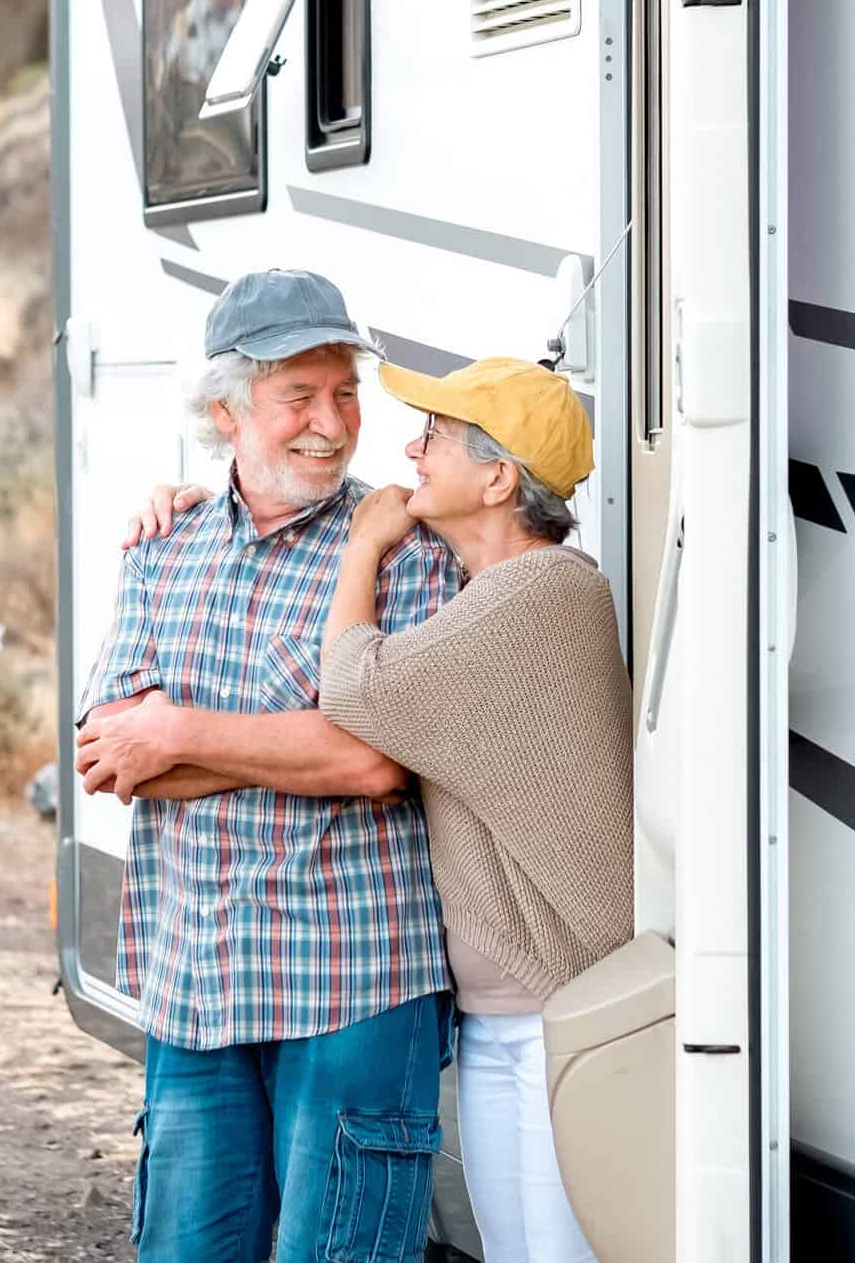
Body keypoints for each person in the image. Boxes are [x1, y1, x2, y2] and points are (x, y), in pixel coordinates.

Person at [127, 357, 634, 1263]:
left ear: (497, 477)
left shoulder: (544, 593)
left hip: (557, 1004)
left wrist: (359, 546)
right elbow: (336, 744)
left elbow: (357, 715)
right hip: (502, 1009)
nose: (409, 449)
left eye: (434, 436)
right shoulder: (483, 592)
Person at [73, 269, 461, 1263]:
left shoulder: (400, 549)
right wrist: (268, 744)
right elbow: (110, 756)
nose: (330, 423)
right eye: (299, 394)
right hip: (194, 980)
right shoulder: (162, 548)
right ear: (226, 410)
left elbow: (376, 759)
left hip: (355, 983)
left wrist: (178, 732)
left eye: (344, 392)